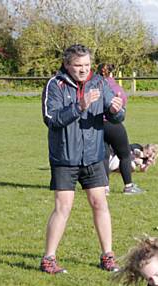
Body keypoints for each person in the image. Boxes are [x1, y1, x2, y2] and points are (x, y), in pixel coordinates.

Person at [40, 44, 124, 274]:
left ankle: (107, 256)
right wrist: (80, 105)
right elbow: (52, 119)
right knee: (63, 207)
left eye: (87, 65)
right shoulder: (54, 85)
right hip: (65, 157)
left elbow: (114, 114)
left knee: (100, 204)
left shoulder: (98, 82)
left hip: (94, 156)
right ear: (67, 65)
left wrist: (117, 110)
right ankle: (48, 258)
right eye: (78, 65)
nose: (83, 70)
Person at [96, 63, 143, 195]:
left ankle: (105, 187)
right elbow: (121, 107)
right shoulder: (115, 87)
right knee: (125, 155)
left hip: (98, 124)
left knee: (104, 156)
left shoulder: (94, 85)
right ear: (112, 73)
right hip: (113, 124)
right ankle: (128, 186)